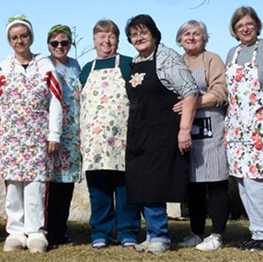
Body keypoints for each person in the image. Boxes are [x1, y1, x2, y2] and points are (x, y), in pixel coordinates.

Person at [0, 15, 63, 254]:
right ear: (9, 41)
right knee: (14, 186)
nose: (19, 41)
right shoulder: (3, 67)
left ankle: (36, 232)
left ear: (31, 37)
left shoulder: (45, 66)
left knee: (36, 185)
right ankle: (16, 232)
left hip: (38, 136)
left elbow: (56, 102)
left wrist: (54, 134)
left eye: (24, 36)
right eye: (14, 37)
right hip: (10, 136)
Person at [124, 14, 198, 254]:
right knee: (142, 185)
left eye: (144, 32)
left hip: (163, 132)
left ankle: (162, 238)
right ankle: (152, 234)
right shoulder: (135, 62)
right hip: (139, 133)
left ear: (155, 34)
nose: (139, 37)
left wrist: (184, 130)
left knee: (154, 185)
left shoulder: (168, 58)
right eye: (134, 34)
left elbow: (190, 92)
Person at [79, 20, 141, 249]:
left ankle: (127, 231)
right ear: (94, 40)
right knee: (99, 190)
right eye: (101, 36)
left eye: (111, 36)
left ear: (117, 40)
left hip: (123, 138)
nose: (106, 41)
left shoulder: (128, 64)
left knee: (125, 189)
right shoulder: (87, 68)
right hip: (94, 141)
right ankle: (101, 232)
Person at [223, 6, 263, 252]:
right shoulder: (231, 53)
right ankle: (255, 233)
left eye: (249, 24)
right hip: (236, 127)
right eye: (239, 26)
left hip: (261, 125)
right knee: (243, 184)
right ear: (234, 31)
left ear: (257, 25)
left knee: (257, 183)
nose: (245, 29)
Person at [173, 20, 229, 251]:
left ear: (204, 38)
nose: (192, 37)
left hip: (211, 126)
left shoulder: (212, 59)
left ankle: (217, 234)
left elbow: (220, 92)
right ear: (179, 38)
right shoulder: (176, 62)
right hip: (185, 129)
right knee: (193, 184)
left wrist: (191, 102)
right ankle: (196, 232)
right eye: (187, 33)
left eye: (197, 34)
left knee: (215, 181)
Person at [45, 24, 82, 247]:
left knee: (66, 184)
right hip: (51, 132)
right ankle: (45, 230)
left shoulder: (75, 66)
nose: (60, 46)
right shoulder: (43, 64)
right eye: (55, 43)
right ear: (48, 45)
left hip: (72, 134)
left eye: (64, 43)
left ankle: (60, 230)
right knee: (48, 185)